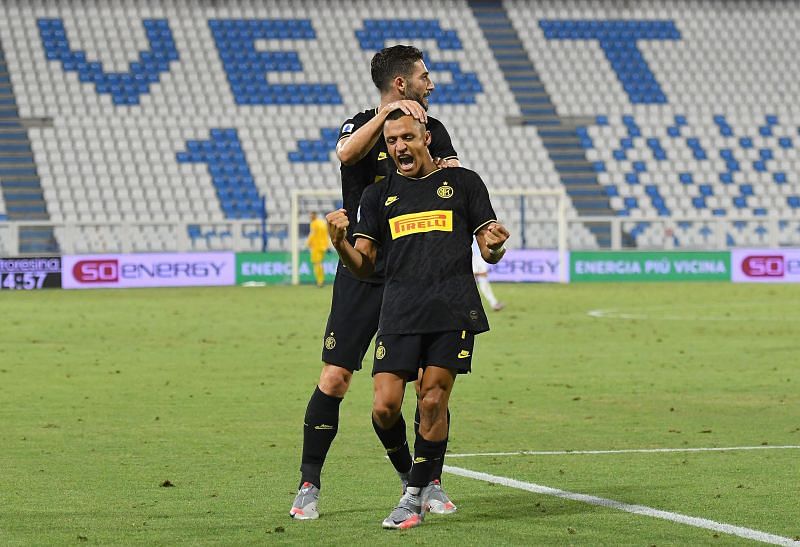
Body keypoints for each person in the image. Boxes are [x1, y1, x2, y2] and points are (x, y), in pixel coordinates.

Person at [290, 45, 460, 520]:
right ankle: (309, 483)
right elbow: (347, 153)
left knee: (431, 386)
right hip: (362, 268)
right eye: (425, 76)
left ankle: (428, 484)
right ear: (401, 83)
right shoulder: (360, 124)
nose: (432, 83)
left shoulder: (432, 127)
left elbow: (450, 174)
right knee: (335, 377)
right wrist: (387, 113)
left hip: (416, 273)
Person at [326, 110, 510, 529]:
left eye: (407, 137)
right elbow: (363, 265)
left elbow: (488, 247)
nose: (399, 148)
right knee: (385, 406)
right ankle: (416, 476)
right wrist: (340, 244)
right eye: (392, 142)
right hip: (399, 309)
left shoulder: (464, 184)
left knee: (431, 399)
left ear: (426, 137)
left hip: (452, 308)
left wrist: (496, 248)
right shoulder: (377, 196)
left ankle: (412, 497)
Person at [473, 241, 505, 311]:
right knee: (481, 277)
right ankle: (494, 303)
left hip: (478, 253)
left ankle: (494, 303)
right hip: (476, 254)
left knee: (481, 279)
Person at [306, 212, 329, 287]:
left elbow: (312, 234)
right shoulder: (322, 223)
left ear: (314, 216)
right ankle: (321, 280)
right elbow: (326, 234)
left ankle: (320, 281)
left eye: (311, 215)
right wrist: (327, 245)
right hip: (323, 246)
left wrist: (307, 244)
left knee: (317, 264)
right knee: (320, 264)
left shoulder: (314, 223)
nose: (310, 217)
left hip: (316, 246)